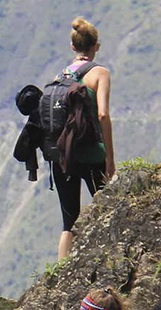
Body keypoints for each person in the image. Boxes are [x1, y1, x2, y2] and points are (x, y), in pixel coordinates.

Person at [54, 18, 116, 260]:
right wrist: (109, 158)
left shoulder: (61, 75)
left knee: (69, 221)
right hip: (92, 154)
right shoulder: (100, 73)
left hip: (63, 156)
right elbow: (103, 113)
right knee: (109, 210)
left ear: (73, 47)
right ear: (96, 46)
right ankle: (108, 261)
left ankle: (59, 277)